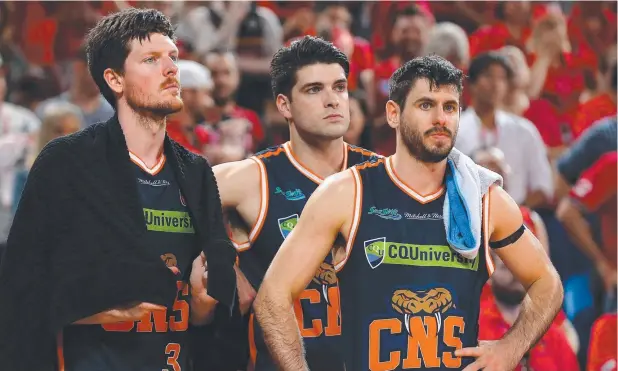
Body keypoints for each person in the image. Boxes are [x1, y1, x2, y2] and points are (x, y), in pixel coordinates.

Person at [253, 55, 564, 371]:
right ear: (393, 114)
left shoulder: (485, 200)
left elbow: (546, 282)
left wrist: (511, 348)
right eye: (426, 105)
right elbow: (272, 296)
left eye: (450, 107)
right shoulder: (347, 193)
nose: (440, 118)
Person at [0, 8, 237, 371]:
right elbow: (21, 286)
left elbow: (208, 314)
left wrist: (206, 305)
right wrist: (97, 301)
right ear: (115, 79)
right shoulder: (68, 162)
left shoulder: (195, 170)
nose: (171, 68)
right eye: (151, 59)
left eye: (173, 56)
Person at [213, 35, 379, 371]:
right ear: (284, 105)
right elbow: (162, 202)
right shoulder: (250, 179)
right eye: (314, 89)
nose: (333, 100)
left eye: (340, 87)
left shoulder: (384, 176)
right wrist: (221, 263)